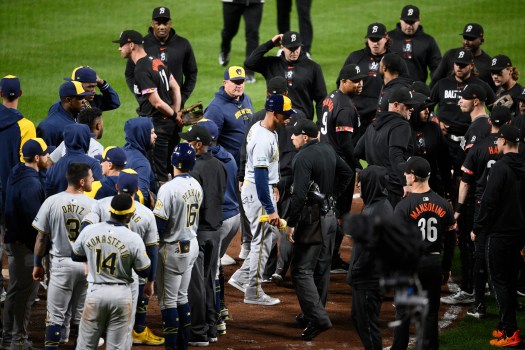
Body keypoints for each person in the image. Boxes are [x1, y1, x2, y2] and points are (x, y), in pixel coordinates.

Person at [286, 119, 352, 340]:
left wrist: (292, 223)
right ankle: (313, 313)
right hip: (331, 219)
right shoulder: (327, 149)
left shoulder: (302, 157)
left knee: (301, 270)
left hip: (312, 221)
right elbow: (347, 173)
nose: (292, 138)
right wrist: (333, 196)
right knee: (321, 269)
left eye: (295, 135)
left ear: (305, 136)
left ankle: (318, 319)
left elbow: (299, 195)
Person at [81, 169, 162, 347]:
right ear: (137, 190)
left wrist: (87, 260)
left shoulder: (101, 205)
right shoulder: (146, 214)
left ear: (116, 186)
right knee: (123, 331)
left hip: (99, 274)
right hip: (129, 280)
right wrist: (150, 280)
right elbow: (152, 250)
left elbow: (85, 226)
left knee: (90, 333)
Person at [238, 76, 306, 282]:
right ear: (286, 94)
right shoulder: (298, 116)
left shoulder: (257, 119)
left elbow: (244, 151)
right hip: (289, 178)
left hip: (271, 182)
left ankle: (267, 272)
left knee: (268, 230)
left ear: (267, 93)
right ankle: (282, 270)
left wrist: (242, 175)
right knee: (286, 224)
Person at [229, 95, 294, 306]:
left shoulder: (264, 128)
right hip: (258, 191)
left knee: (268, 236)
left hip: (260, 189)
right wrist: (270, 208)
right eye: (286, 115)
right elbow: (259, 175)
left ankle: (241, 278)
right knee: (261, 241)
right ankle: (254, 291)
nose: (289, 119)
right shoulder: (263, 138)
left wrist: (273, 185)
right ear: (274, 113)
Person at [451, 106, 510, 317]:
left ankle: (479, 304)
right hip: (507, 207)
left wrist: (458, 209)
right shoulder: (514, 149)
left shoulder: (478, 147)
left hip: (481, 206)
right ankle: (507, 300)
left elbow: (465, 182)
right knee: (506, 253)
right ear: (509, 124)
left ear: (490, 123)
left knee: (479, 253)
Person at [392, 156, 456, 350]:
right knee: (429, 313)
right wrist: (446, 267)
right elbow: (452, 240)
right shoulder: (444, 205)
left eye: (406, 172)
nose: (404, 174)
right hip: (433, 265)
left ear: (413, 177)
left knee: (403, 312)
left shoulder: (404, 206)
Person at [72, 194, 152, 349]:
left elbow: (75, 255)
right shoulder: (133, 238)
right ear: (129, 215)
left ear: (110, 210)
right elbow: (144, 271)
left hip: (95, 292)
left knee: (85, 345)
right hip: (121, 295)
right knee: (117, 347)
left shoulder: (90, 230)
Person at [32, 163, 96, 350]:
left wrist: (37, 263)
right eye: (91, 177)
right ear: (82, 182)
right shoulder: (94, 205)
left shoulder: (52, 201)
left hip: (60, 266)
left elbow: (41, 238)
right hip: (86, 267)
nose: (93, 179)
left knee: (55, 318)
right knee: (81, 317)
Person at [472, 125, 525, 347]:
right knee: (511, 280)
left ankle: (510, 331)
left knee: (499, 281)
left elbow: (489, 200)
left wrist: (477, 226)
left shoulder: (501, 167)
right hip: (519, 233)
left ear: (503, 141)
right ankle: (505, 325)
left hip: (499, 232)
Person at [114, 29, 182, 185]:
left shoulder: (140, 68)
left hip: (157, 127)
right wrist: (176, 113)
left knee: (159, 177)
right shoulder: (157, 61)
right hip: (169, 125)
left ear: (131, 45)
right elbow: (176, 88)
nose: (119, 48)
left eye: (121, 45)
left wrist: (174, 115)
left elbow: (156, 102)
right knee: (171, 170)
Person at [179, 126, 226, 346]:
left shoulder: (194, 169)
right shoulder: (220, 165)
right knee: (208, 280)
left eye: (189, 142)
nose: (187, 145)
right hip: (216, 231)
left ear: (198, 144)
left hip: (199, 232)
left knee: (196, 285)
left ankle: (199, 332)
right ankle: (212, 327)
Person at [153, 143, 202, 349]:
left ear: (173, 162)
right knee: (182, 297)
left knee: (168, 302)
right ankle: (182, 346)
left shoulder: (168, 188)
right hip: (192, 245)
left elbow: (160, 225)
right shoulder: (197, 185)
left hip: (172, 249)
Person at [319, 64, 366, 274]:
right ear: (343, 81)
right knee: (339, 213)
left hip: (326, 160)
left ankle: (326, 256)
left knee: (327, 207)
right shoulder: (345, 107)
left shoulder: (330, 97)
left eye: (361, 80)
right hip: (339, 167)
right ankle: (330, 259)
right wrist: (356, 165)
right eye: (355, 81)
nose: (360, 84)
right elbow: (346, 143)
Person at [2, 139, 48, 349]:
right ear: (37, 158)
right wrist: (39, 253)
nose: (48, 158)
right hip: (25, 246)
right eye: (45, 154)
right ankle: (18, 341)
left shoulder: (15, 172)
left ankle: (9, 338)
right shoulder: (31, 184)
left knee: (15, 291)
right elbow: (34, 224)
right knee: (25, 295)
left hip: (13, 240)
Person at [430, 49, 495, 195]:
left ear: (471, 65)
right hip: (445, 141)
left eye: (463, 65)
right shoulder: (442, 84)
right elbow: (427, 106)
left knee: (468, 179)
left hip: (471, 141)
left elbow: (495, 108)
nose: (459, 67)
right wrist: (435, 120)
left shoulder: (480, 86)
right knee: (443, 179)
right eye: (457, 64)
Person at [197, 119, 240, 328]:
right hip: (234, 218)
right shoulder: (228, 155)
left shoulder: (207, 163)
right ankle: (221, 307)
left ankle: (216, 318)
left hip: (220, 219)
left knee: (210, 269)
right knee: (215, 264)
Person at [354, 87, 425, 207]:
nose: (412, 109)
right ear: (396, 105)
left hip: (372, 185)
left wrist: (378, 162)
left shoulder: (373, 125)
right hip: (392, 188)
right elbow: (395, 156)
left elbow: (357, 151)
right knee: (393, 223)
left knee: (374, 220)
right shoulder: (401, 125)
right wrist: (405, 183)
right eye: (408, 105)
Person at [348, 165, 393, 350]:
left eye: (361, 182)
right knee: (360, 318)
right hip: (369, 276)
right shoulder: (377, 205)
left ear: (371, 184)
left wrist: (356, 270)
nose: (358, 187)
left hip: (369, 278)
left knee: (366, 322)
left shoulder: (378, 211)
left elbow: (372, 248)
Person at [244, 31, 327, 121]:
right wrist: (270, 43)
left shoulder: (313, 67)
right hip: (275, 122)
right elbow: (249, 63)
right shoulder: (272, 64)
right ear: (282, 47)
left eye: (296, 48)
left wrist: (320, 126)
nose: (294, 52)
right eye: (290, 48)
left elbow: (321, 99)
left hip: (301, 124)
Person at [126, 7, 198, 106]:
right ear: (152, 24)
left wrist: (181, 98)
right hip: (149, 108)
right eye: (158, 23)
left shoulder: (183, 44)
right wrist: (143, 98)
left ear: (171, 23)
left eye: (165, 23)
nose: (162, 27)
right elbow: (130, 74)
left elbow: (191, 73)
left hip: (174, 107)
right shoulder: (142, 45)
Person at [341, 23, 394, 140]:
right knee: (351, 152)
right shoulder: (355, 57)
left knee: (377, 155)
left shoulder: (394, 59)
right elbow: (341, 85)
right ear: (367, 39)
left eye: (378, 39)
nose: (375, 43)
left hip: (381, 117)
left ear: (386, 38)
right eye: (372, 39)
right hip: (356, 115)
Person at [205, 66, 254, 167]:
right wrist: (226, 158)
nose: (239, 85)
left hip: (249, 161)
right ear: (225, 82)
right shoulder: (215, 108)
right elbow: (208, 142)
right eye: (235, 82)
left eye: (241, 82)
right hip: (231, 165)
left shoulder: (246, 99)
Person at [0, 75, 36, 209]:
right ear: (20, 93)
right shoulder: (26, 126)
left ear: (0, 93)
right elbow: (27, 165)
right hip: (11, 195)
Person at [431, 23, 495, 91]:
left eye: (471, 39)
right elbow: (435, 80)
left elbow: (494, 90)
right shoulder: (451, 55)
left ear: (481, 41)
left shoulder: (488, 63)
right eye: (465, 38)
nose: (466, 42)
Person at [45, 123, 103, 197]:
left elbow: (48, 197)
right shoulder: (93, 164)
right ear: (84, 140)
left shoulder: (53, 169)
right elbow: (99, 193)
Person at [388, 5, 441, 83]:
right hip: (392, 89)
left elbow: (437, 67)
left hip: (417, 90)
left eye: (412, 22)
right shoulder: (388, 38)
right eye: (406, 22)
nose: (409, 26)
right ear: (400, 19)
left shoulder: (428, 40)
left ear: (419, 20)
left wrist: (434, 87)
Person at [218, 0, 264, 83]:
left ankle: (249, 72)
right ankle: (225, 49)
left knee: (253, 34)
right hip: (231, 2)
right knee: (229, 31)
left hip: (255, 2)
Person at [37, 81, 93, 147]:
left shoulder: (77, 115)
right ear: (69, 100)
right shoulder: (49, 127)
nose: (84, 101)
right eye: (80, 98)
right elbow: (45, 155)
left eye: (84, 97)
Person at [48, 66, 120, 113]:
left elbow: (114, 103)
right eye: (90, 87)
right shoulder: (60, 107)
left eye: (95, 86)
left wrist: (101, 83)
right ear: (77, 85)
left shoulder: (93, 100)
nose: (94, 91)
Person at [123, 117, 157, 209]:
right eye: (152, 133)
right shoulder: (142, 163)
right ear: (142, 135)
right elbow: (142, 196)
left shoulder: (122, 152)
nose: (155, 136)